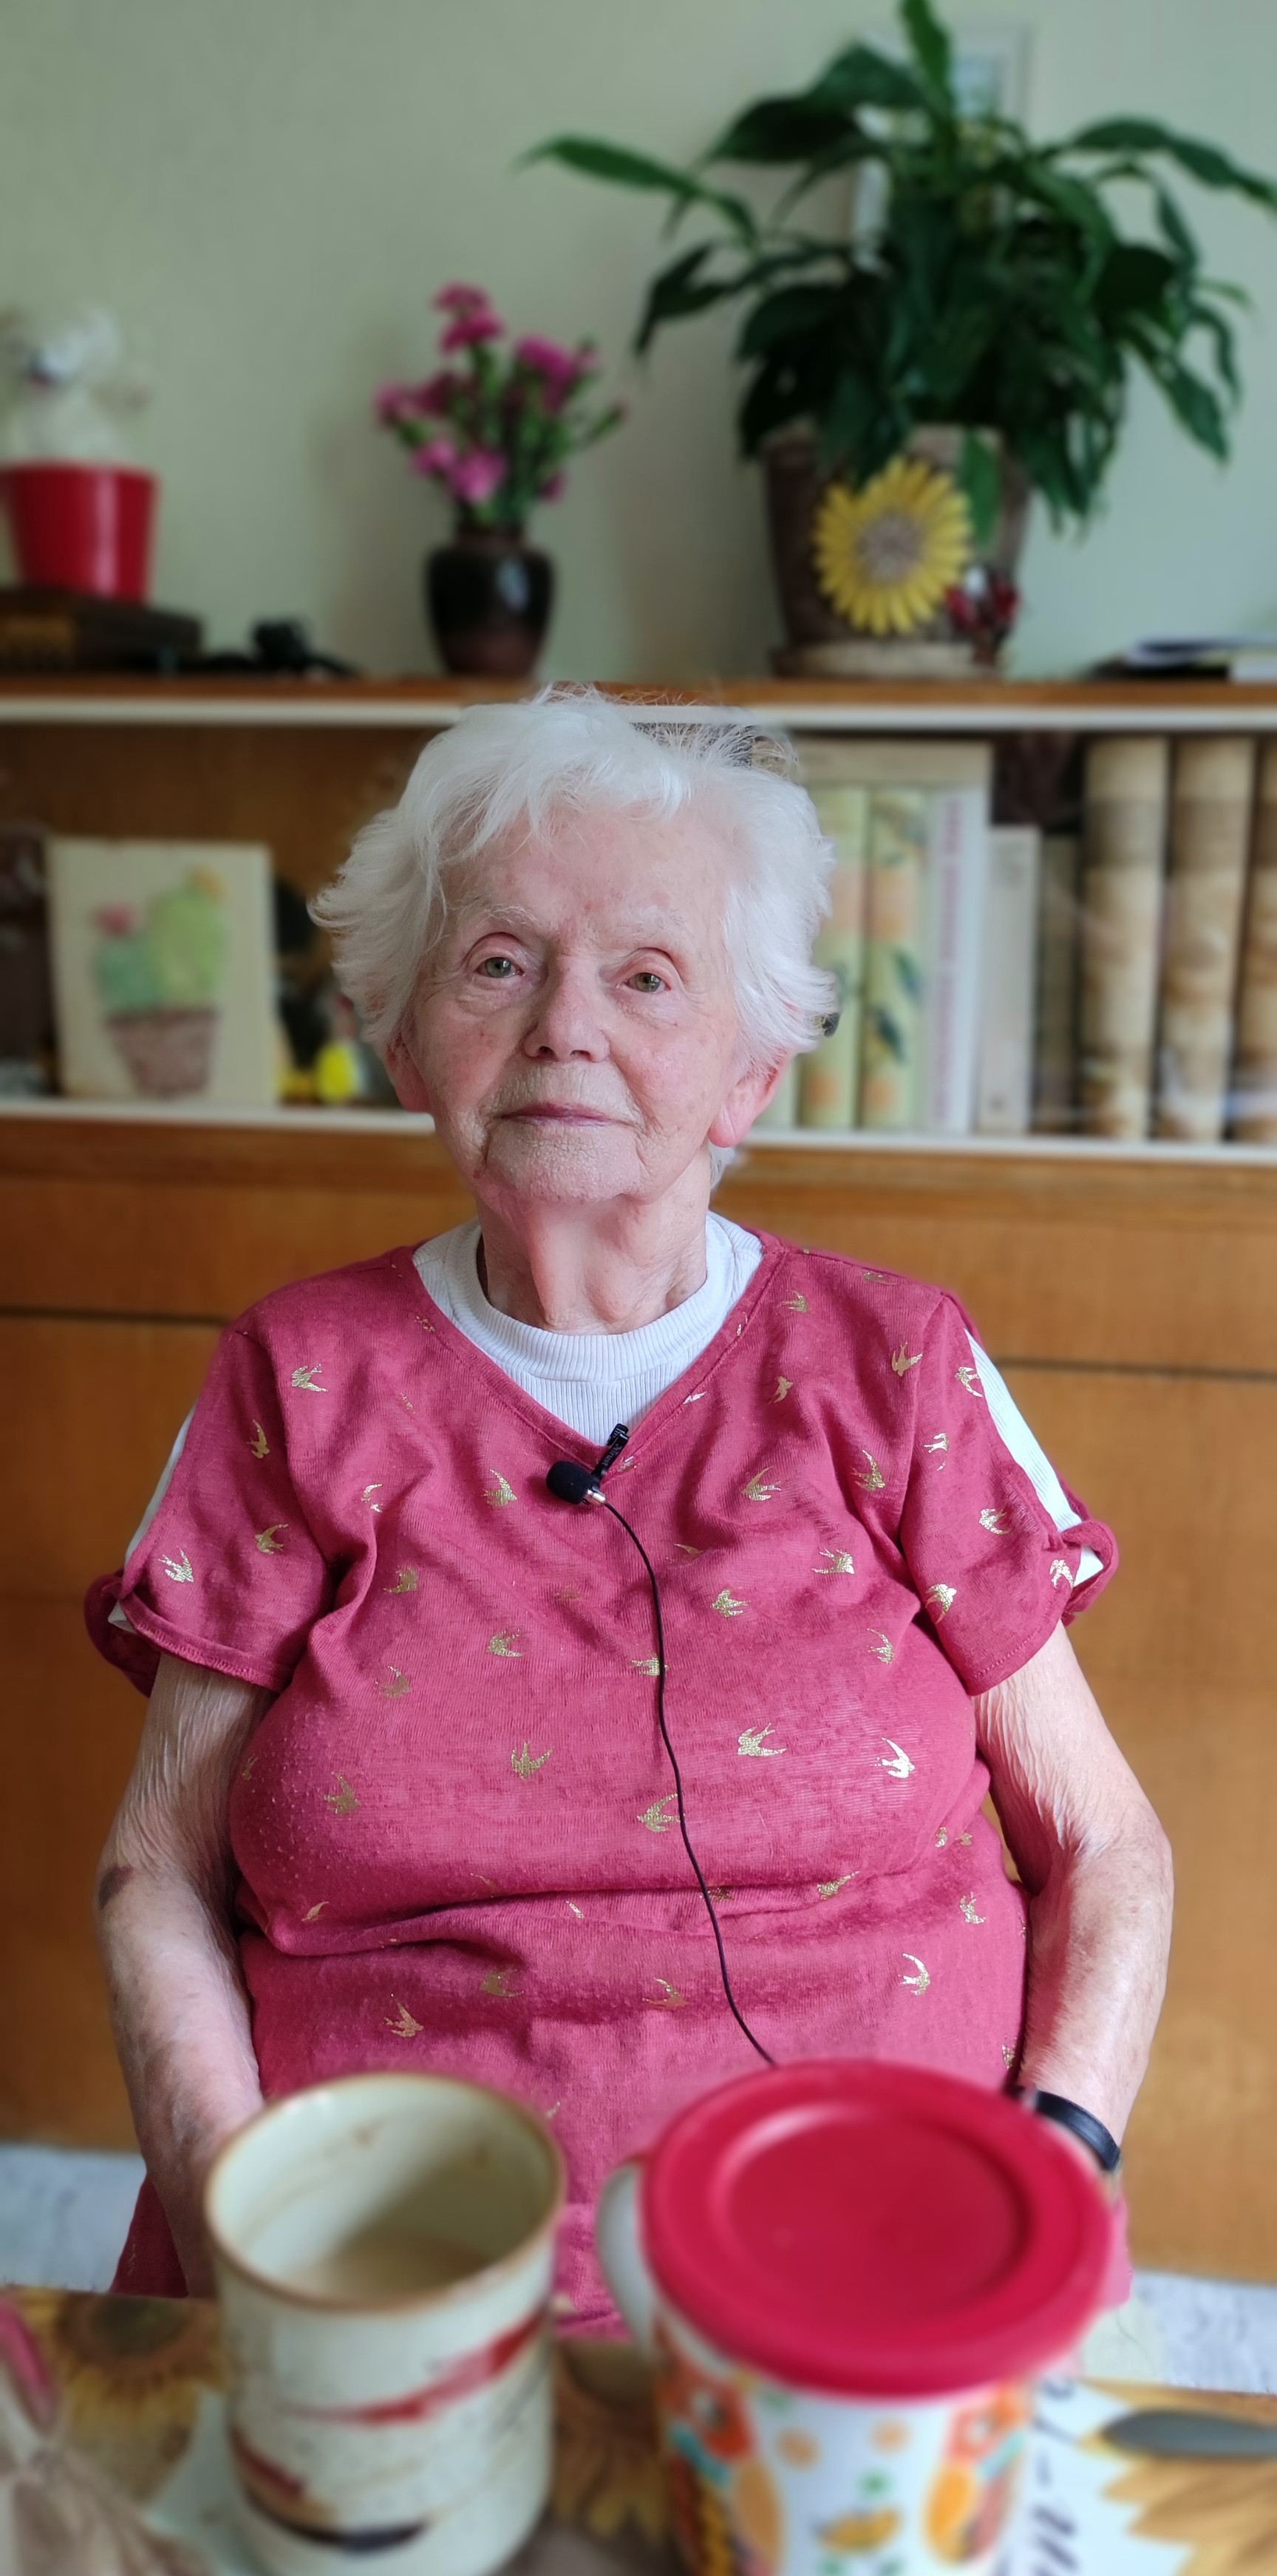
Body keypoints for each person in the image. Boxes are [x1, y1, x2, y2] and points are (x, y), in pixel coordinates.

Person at [88, 690, 1172, 2317]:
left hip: (879, 2273)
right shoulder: (296, 1378)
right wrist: (242, 2240)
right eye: (498, 962)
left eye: (648, 976)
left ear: (750, 1073)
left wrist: (1056, 2162)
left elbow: (1105, 1841)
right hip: (383, 2280)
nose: (564, 1027)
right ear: (405, 1041)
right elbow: (155, 1876)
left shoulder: (895, 1365)